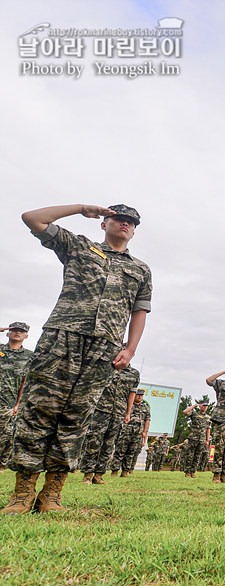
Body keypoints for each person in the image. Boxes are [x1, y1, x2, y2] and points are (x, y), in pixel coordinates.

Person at [4, 204, 151, 515]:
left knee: (77, 418)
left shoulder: (141, 269)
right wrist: (81, 208)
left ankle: (52, 493)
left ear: (135, 230)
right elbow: (32, 218)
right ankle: (22, 492)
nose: (124, 224)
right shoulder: (79, 246)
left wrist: (131, 348)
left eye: (130, 222)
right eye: (118, 219)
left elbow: (140, 311)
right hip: (61, 339)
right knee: (38, 411)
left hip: (104, 349)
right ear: (105, 223)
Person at [81, 366, 140, 484]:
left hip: (118, 412)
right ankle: (87, 474)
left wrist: (128, 413)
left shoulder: (134, 373)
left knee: (109, 444)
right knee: (94, 440)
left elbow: (132, 394)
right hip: (100, 409)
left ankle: (99, 475)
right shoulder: (106, 366)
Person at [0, 322, 34, 468]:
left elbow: (26, 381)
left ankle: (1, 464)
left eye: (21, 331)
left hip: (10, 401)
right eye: (14, 330)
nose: (17, 333)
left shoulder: (29, 356)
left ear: (26, 336)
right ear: (7, 333)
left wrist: (19, 403)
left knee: (7, 435)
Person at [117, 387, 151, 476]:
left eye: (141, 396)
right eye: (138, 395)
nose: (140, 397)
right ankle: (115, 470)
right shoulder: (128, 404)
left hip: (137, 433)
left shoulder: (145, 408)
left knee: (131, 452)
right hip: (125, 431)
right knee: (120, 451)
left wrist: (145, 432)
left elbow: (147, 420)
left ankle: (125, 471)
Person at [182, 403, 210, 478]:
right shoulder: (194, 413)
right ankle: (187, 472)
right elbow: (185, 412)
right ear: (200, 406)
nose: (205, 407)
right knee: (190, 455)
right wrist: (193, 406)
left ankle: (193, 472)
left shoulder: (208, 417)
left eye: (206, 406)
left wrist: (207, 440)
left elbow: (208, 429)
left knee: (197, 456)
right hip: (193, 438)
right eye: (203, 405)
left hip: (202, 439)